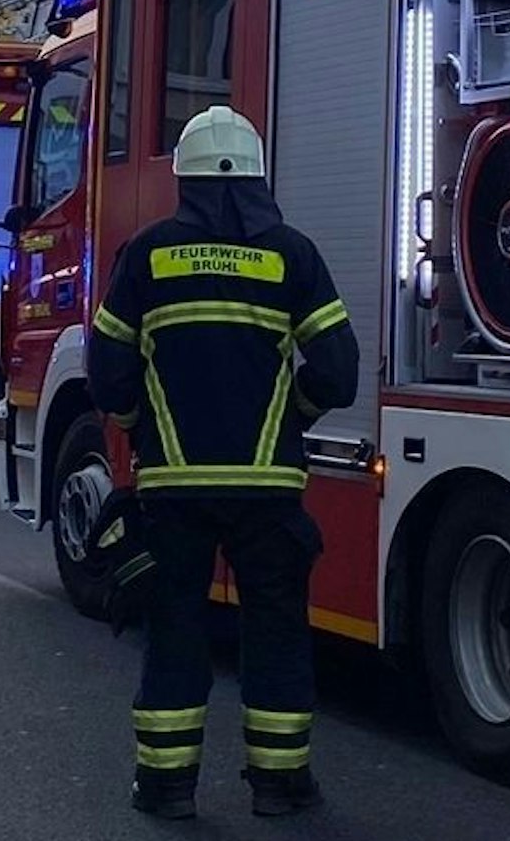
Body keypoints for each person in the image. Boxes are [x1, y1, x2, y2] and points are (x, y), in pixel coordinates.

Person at [87, 105, 358, 821]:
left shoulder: (146, 255)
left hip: (174, 490)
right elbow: (338, 373)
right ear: (258, 179)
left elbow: (108, 374)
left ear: (185, 179)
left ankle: (167, 786)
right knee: (276, 630)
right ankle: (279, 784)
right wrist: (293, 416)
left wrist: (139, 426)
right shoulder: (292, 256)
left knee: (175, 629)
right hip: (268, 489)